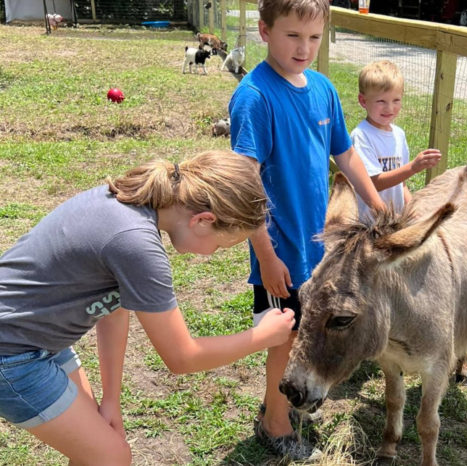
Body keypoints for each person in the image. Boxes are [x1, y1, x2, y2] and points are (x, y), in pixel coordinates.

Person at [0, 150, 296, 465]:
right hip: (13, 352)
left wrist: (110, 399)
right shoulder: (136, 243)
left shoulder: (132, 207)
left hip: (35, 337)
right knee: (111, 457)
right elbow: (182, 357)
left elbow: (113, 310)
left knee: (96, 453)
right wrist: (263, 336)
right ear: (203, 220)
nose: (211, 253)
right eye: (221, 245)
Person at [227, 0, 386, 460]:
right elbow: (245, 183)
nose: (304, 48)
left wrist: (378, 208)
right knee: (286, 336)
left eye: (314, 38)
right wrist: (267, 256)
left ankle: (286, 401)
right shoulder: (255, 97)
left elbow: (347, 155)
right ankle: (275, 425)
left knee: (311, 331)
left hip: (322, 250)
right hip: (281, 251)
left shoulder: (322, 89)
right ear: (264, 30)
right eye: (293, 36)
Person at [351, 60, 442, 220]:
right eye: (381, 101)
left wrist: (412, 209)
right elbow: (372, 183)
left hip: (394, 222)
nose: (390, 108)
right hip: (369, 226)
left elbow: (401, 184)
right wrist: (413, 167)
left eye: (396, 100)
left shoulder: (399, 135)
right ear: (363, 101)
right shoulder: (361, 136)